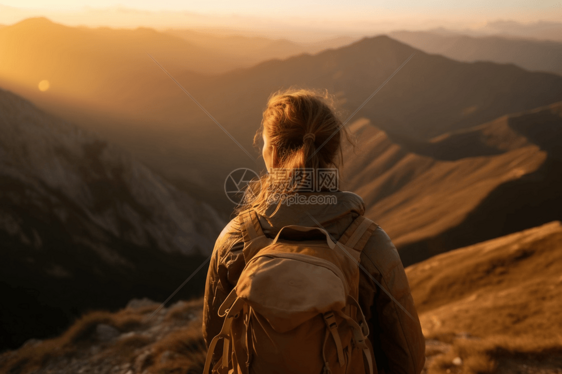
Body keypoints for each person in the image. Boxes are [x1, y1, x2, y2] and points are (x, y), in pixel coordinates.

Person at [202, 87, 425, 374]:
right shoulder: (370, 243)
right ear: (332, 151)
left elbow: (215, 340)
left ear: (272, 153)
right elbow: (407, 358)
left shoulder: (235, 236)